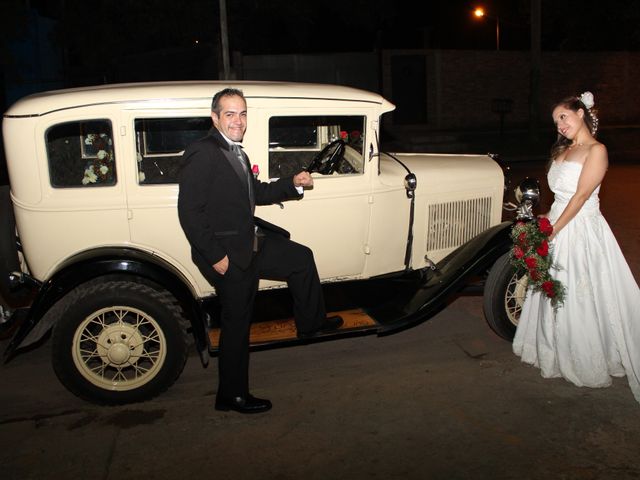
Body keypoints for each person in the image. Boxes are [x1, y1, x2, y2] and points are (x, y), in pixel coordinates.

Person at [178, 88, 343, 414]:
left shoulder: (236, 152)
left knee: (300, 258)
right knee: (237, 324)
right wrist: (216, 257)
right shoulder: (204, 152)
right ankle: (232, 395)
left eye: (242, 113)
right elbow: (189, 213)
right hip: (227, 254)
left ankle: (311, 323)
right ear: (215, 117)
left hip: (248, 243)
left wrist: (293, 183)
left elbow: (258, 192)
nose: (238, 120)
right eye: (230, 114)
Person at [513, 91, 640, 404]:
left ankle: (587, 356)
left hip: (581, 230)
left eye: (564, 117)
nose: (560, 125)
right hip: (558, 223)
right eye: (556, 121)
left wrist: (554, 230)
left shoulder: (597, 150)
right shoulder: (563, 151)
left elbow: (581, 196)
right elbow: (559, 197)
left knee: (580, 292)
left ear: (581, 113)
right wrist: (541, 220)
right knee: (552, 288)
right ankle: (553, 348)